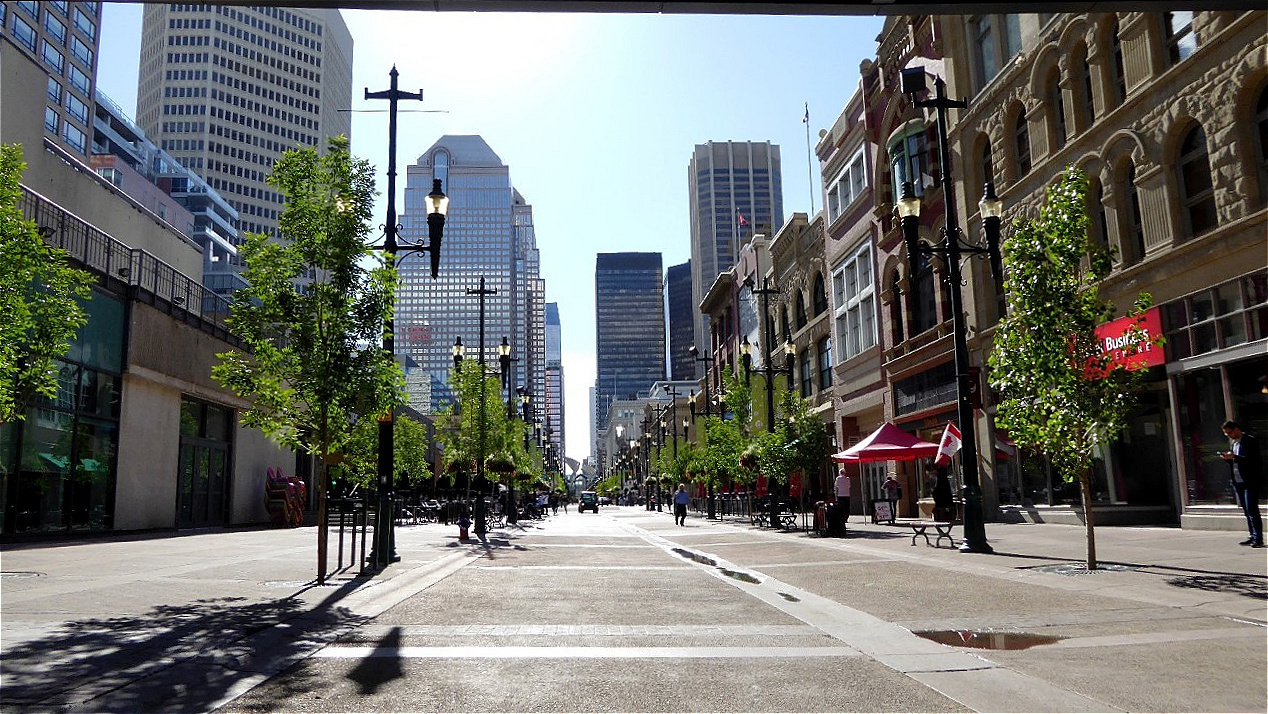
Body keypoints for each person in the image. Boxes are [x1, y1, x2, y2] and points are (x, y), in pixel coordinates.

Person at [1221, 419, 1263, 548]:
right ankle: (1252, 535)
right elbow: (1236, 462)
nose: (1229, 436)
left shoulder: (1249, 441)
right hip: (1238, 480)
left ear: (1236, 429)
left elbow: (1253, 460)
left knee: (1252, 509)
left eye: (1230, 433)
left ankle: (1258, 538)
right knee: (1246, 510)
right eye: (1226, 434)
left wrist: (1235, 457)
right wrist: (1228, 459)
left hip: (1250, 480)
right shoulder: (1234, 443)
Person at [833, 469, 851, 535]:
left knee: (841, 508)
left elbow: (836, 487)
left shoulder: (838, 479)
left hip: (840, 495)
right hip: (847, 495)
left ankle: (842, 518)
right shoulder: (847, 479)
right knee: (847, 507)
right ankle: (846, 517)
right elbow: (849, 486)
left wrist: (836, 496)